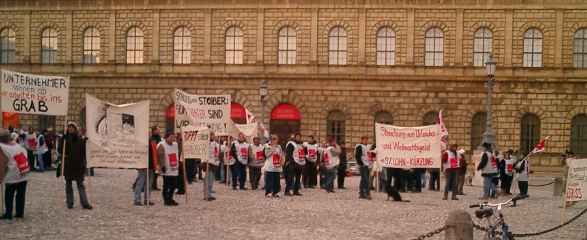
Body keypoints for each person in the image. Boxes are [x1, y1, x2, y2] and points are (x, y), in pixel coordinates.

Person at [59, 122, 93, 210]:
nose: (70, 129)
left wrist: (86, 142)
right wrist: (62, 141)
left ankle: (85, 203)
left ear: (75, 129)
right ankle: (69, 203)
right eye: (69, 127)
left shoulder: (80, 139)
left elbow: (85, 152)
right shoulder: (65, 139)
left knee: (80, 185)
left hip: (78, 165)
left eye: (72, 127)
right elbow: (61, 151)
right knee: (68, 185)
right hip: (69, 165)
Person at [0, 128, 29, 220]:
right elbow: (25, 155)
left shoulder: (2, 147)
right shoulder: (18, 145)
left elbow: (2, 164)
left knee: (9, 195)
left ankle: (8, 213)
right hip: (23, 173)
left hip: (11, 175)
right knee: (21, 195)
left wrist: (0, 178)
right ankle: (20, 213)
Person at [132, 127, 158, 206]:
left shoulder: (153, 142)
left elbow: (155, 154)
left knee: (149, 184)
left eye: (150, 133)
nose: (149, 134)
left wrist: (156, 165)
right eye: (148, 133)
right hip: (142, 166)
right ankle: (137, 199)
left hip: (151, 166)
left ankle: (147, 199)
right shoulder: (140, 143)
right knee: (140, 183)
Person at [157, 132, 180, 206]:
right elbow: (160, 156)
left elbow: (180, 148)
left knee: (174, 185)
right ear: (166, 137)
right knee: (166, 185)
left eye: (174, 137)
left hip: (174, 168)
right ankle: (166, 200)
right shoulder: (161, 145)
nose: (173, 139)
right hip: (166, 168)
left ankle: (170, 197)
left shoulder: (175, 144)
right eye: (171, 137)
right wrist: (162, 166)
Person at [204, 132, 220, 201]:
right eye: (211, 135)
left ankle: (209, 194)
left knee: (211, 180)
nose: (213, 136)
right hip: (207, 163)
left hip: (214, 163)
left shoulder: (216, 144)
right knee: (207, 180)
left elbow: (218, 152)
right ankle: (206, 195)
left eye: (213, 135)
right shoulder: (205, 143)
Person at [150, 127, 162, 191]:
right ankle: (152, 185)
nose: (159, 130)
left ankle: (154, 185)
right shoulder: (152, 138)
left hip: (158, 157)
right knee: (153, 173)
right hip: (153, 158)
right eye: (158, 129)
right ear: (154, 131)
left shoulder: (158, 137)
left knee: (156, 173)